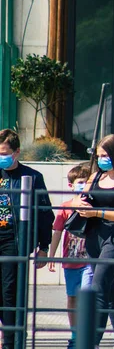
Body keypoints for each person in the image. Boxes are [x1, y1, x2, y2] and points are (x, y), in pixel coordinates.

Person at [71, 134, 114, 349]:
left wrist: (98, 213)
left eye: (105, 155)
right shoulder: (94, 177)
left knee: (99, 287)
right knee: (110, 289)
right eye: (99, 155)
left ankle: (92, 342)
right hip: (93, 238)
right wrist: (79, 204)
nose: (101, 159)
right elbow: (77, 199)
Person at [0, 129, 54, 349]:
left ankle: (12, 342)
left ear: (17, 152)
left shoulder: (32, 177)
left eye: (5, 152)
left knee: (10, 293)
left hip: (15, 243)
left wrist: (44, 246)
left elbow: (45, 214)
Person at [48, 164, 93, 349]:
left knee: (87, 296)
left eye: (86, 182)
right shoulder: (66, 207)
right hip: (70, 260)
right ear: (71, 185)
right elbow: (57, 231)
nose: (83, 185)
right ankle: (75, 334)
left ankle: (86, 334)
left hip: (89, 260)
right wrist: (51, 256)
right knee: (73, 298)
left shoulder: (94, 206)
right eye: (80, 182)